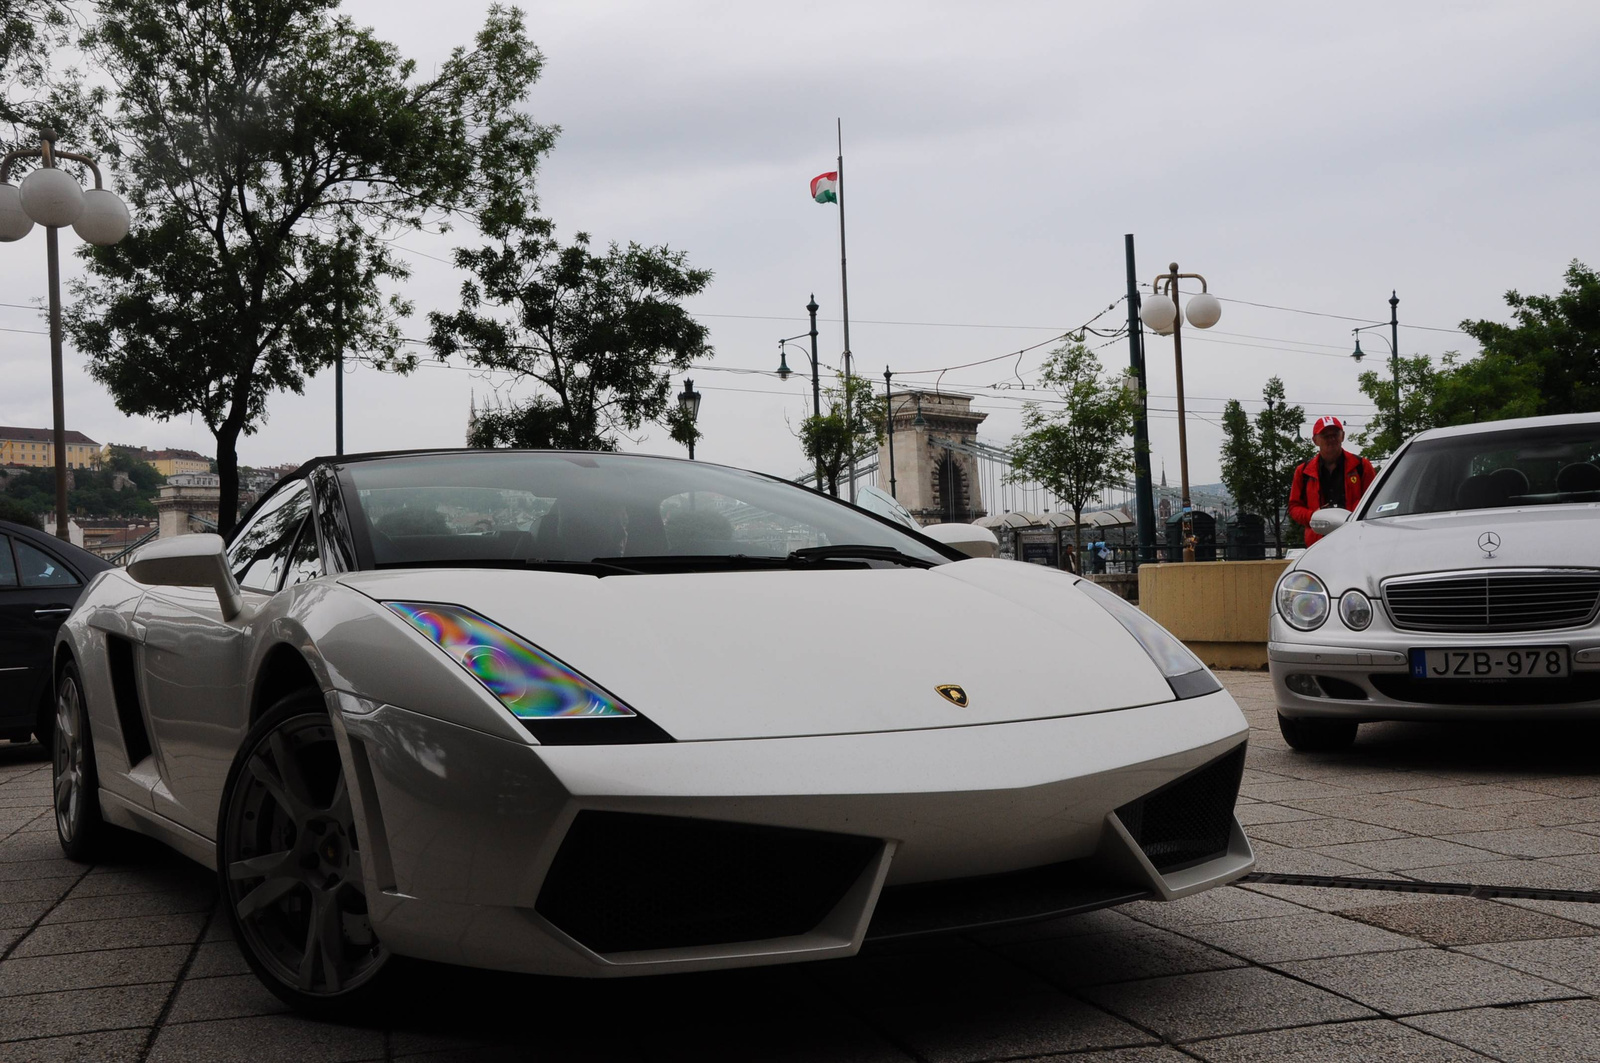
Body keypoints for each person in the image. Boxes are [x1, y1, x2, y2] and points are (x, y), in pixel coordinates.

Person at [1289, 415, 1377, 546]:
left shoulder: (1361, 466)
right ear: (1315, 440)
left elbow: (1375, 500)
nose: (1331, 439)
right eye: (1325, 435)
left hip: (1355, 539)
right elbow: (1294, 507)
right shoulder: (1303, 472)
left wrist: (1351, 516)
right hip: (1318, 543)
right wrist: (1314, 516)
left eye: (1335, 434)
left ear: (1342, 436)